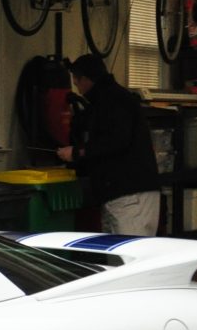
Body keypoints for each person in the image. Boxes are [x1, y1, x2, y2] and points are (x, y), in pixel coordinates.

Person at [56, 53, 161, 236]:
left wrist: (78, 153)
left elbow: (115, 141)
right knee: (119, 259)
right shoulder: (111, 99)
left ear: (87, 79)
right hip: (124, 195)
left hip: (130, 196)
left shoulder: (111, 102)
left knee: (130, 257)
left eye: (77, 82)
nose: (78, 89)